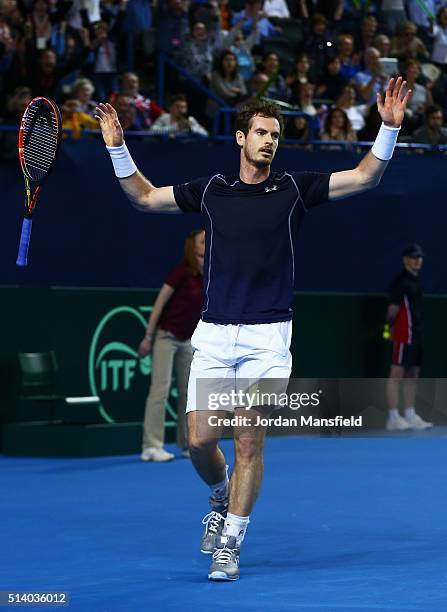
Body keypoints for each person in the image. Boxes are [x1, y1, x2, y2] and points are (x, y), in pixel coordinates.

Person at [95, 76, 411, 581]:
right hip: (215, 336)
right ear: (241, 138)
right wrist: (117, 148)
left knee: (248, 438)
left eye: (276, 135)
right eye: (261, 132)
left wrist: (388, 130)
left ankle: (232, 544)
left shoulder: (294, 189)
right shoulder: (212, 192)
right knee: (199, 441)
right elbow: (145, 198)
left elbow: (365, 176)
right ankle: (220, 496)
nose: (270, 141)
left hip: (269, 338)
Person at [138, 229, 205, 462]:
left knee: (189, 393)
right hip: (166, 337)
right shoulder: (181, 273)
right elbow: (159, 303)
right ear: (192, 247)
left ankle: (187, 444)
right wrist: (148, 336)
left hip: (188, 341)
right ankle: (151, 446)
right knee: (161, 390)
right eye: (203, 242)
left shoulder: (208, 276)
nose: (207, 246)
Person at [384, 244, 433, 431]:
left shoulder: (416, 281)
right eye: (414, 257)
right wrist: (388, 329)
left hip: (417, 335)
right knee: (396, 374)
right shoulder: (400, 282)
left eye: (420, 257)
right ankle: (393, 417)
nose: (418, 260)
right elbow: (392, 310)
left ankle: (410, 414)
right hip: (403, 335)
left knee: (413, 375)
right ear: (405, 259)